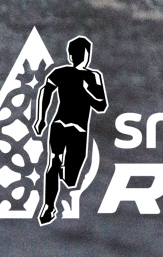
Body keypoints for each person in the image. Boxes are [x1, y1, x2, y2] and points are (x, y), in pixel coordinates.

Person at [32, 36, 107, 225]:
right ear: (71, 55)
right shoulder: (61, 73)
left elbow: (101, 105)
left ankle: (61, 175)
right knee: (54, 162)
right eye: (77, 53)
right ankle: (49, 206)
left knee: (70, 178)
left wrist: (85, 92)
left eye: (83, 53)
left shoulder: (93, 76)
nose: (80, 57)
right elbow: (45, 91)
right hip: (61, 125)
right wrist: (41, 118)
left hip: (78, 131)